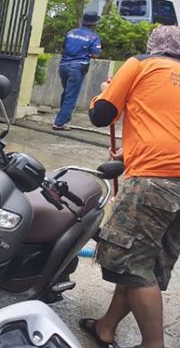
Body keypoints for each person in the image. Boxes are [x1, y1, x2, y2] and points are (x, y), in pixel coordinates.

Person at [82, 25, 180, 348]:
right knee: (145, 263)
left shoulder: (139, 64)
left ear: (153, 47)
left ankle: (153, 345)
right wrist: (131, 153)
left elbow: (102, 114)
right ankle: (106, 328)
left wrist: (103, 91)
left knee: (129, 261)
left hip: (154, 182)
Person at [53, 11, 102, 131]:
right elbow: (96, 54)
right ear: (95, 24)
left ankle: (65, 119)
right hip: (77, 68)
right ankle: (59, 122)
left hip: (63, 66)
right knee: (71, 96)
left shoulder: (71, 33)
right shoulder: (93, 37)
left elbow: (64, 48)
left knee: (66, 93)